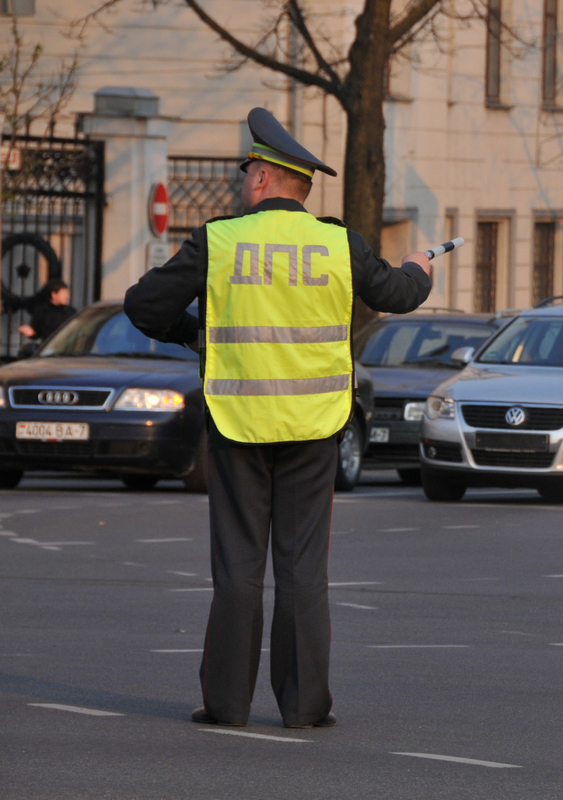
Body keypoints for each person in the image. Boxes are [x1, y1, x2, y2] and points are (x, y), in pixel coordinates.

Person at [124, 108, 431, 729]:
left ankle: (227, 705)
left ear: (263, 178)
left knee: (238, 565)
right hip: (316, 424)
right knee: (301, 567)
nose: (244, 184)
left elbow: (143, 305)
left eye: (247, 174)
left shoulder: (220, 240)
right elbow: (396, 295)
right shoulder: (338, 242)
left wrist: (196, 336)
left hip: (237, 423)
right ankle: (305, 705)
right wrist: (420, 267)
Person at [3, 278, 77, 341]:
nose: (67, 296)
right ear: (54, 295)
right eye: (64, 294)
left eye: (67, 293)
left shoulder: (71, 312)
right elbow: (36, 332)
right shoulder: (41, 311)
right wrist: (31, 333)